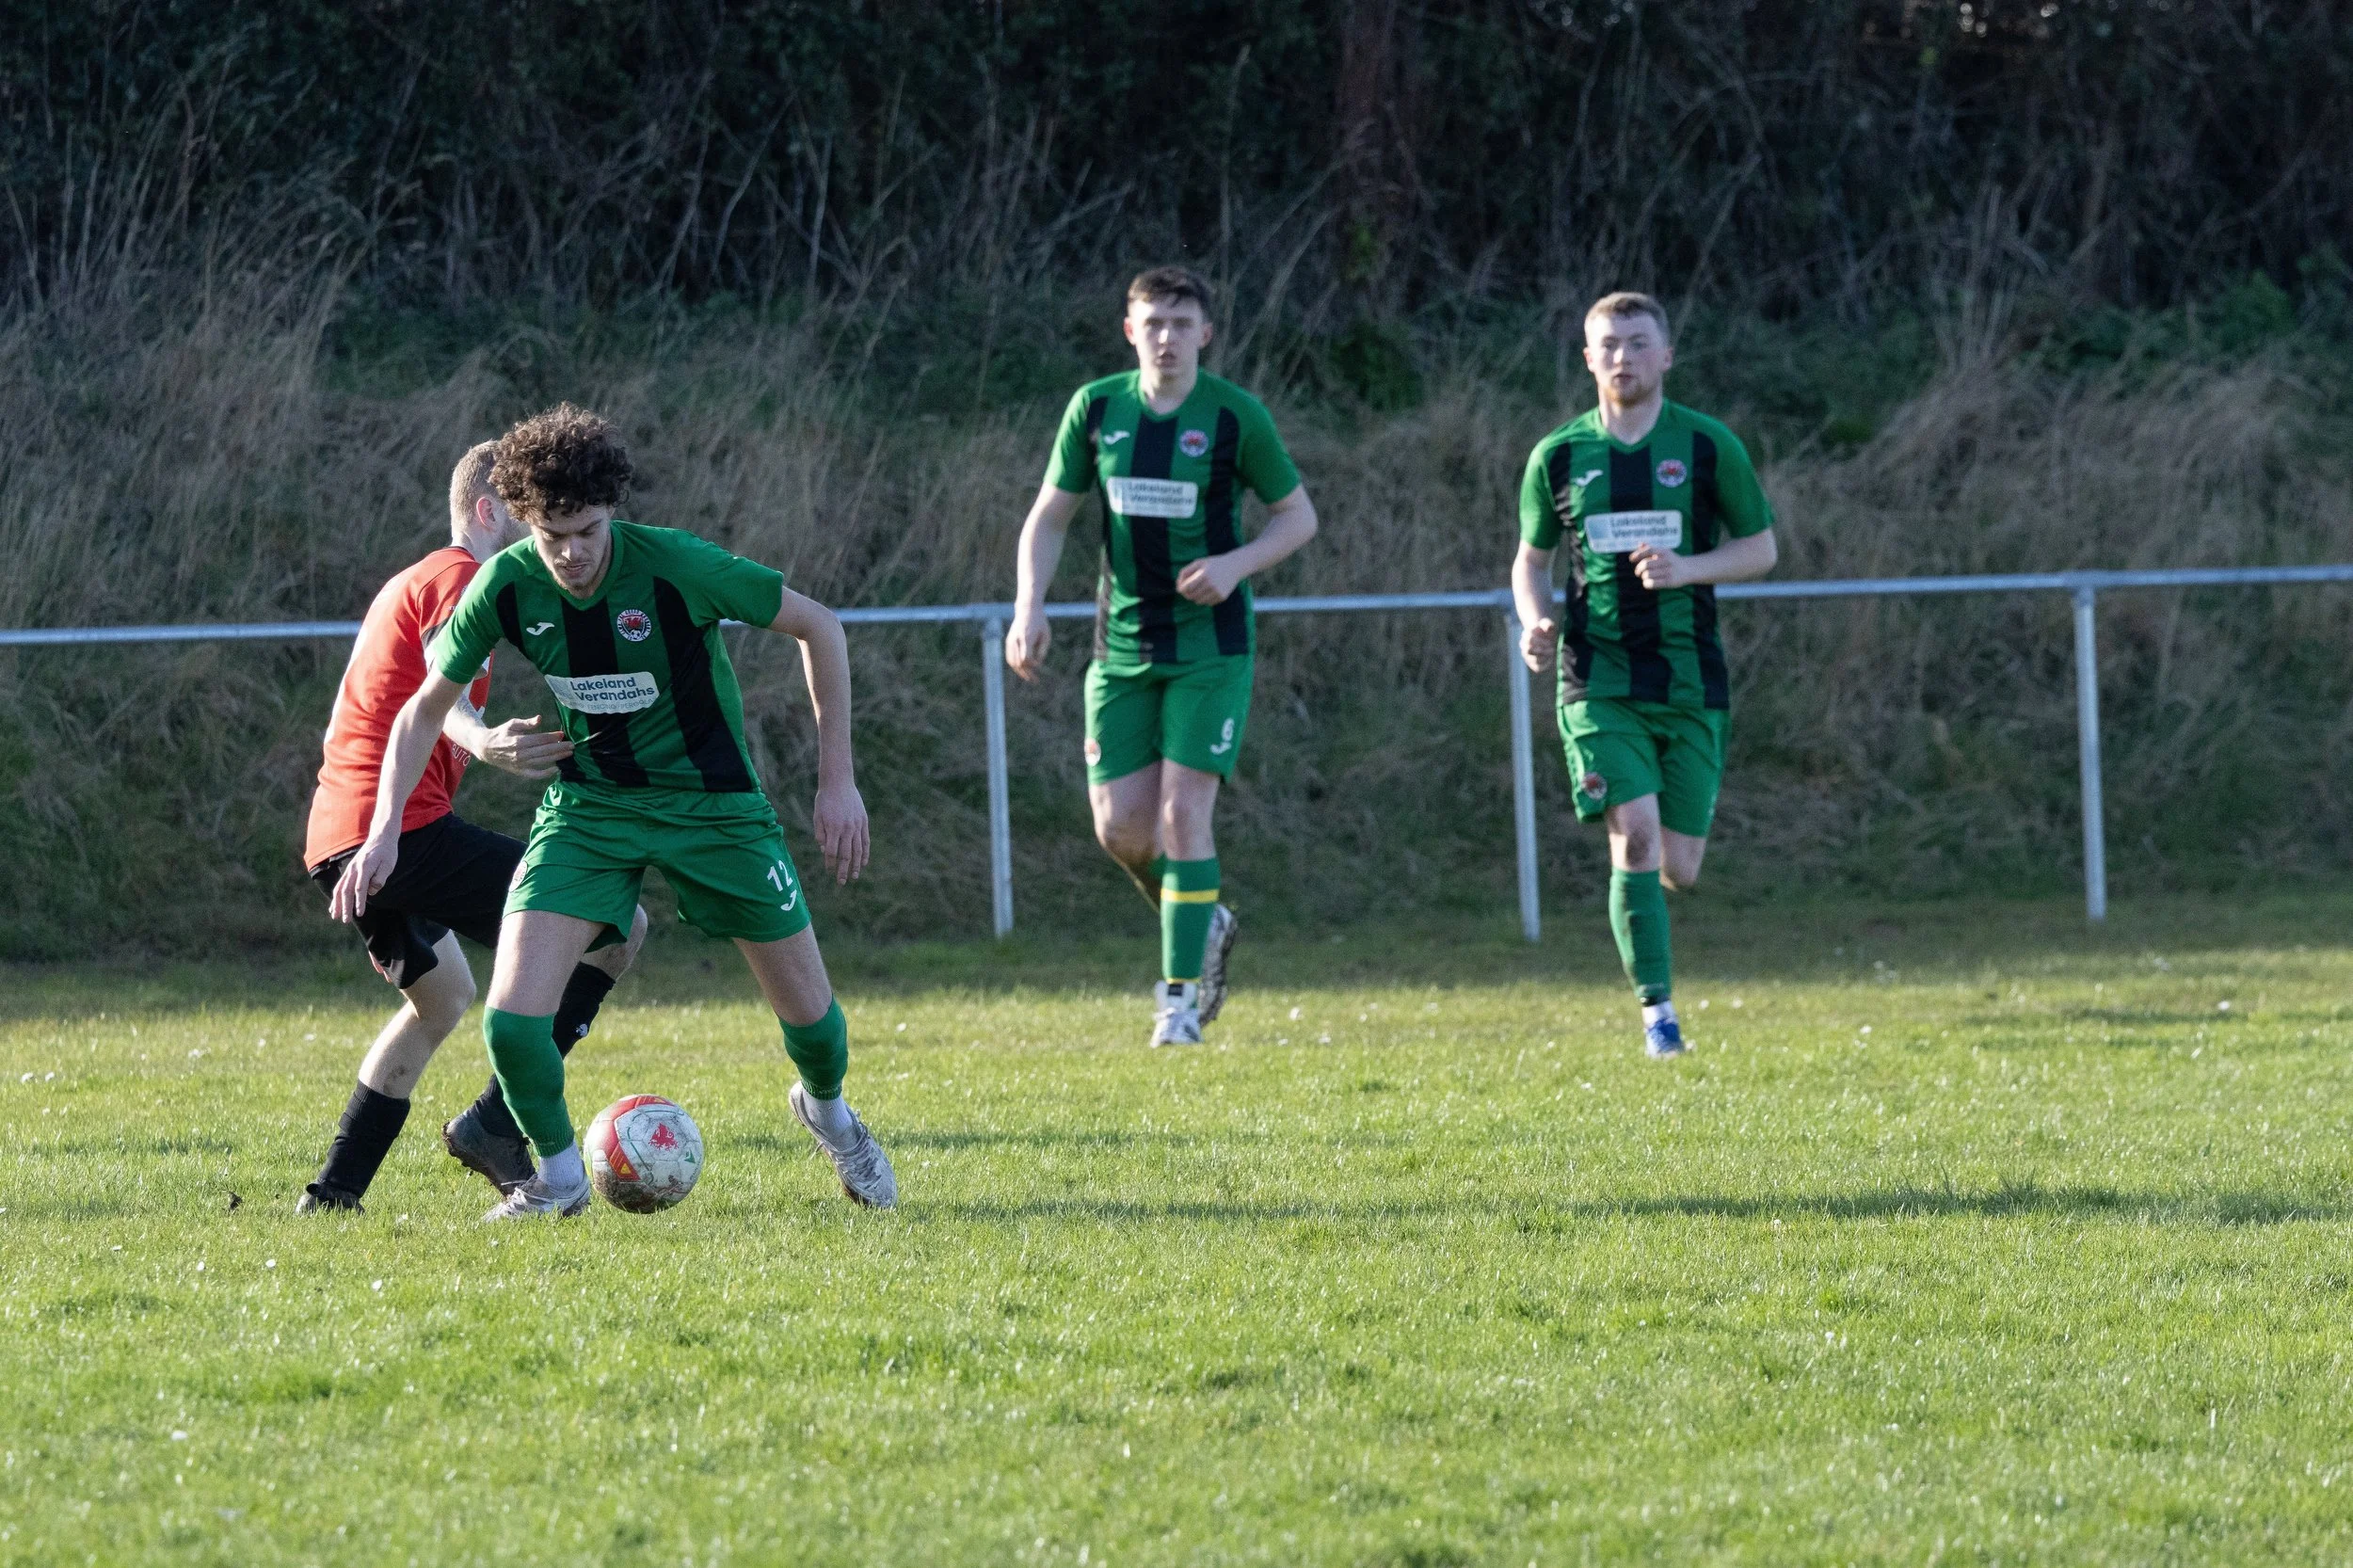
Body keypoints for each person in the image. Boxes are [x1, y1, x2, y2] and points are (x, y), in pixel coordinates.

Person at [332, 403, 894, 1219]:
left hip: (714, 809)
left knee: (812, 1021)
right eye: (552, 535)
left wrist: (836, 782)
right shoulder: (506, 582)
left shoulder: (674, 565)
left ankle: (832, 1116)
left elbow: (820, 627)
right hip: (590, 809)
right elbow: (425, 710)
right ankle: (559, 1181)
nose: (572, 554)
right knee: (514, 1024)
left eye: (588, 531)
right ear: (523, 522)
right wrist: (384, 830)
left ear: (612, 512)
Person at [298, 441, 646, 1213]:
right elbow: (437, 692)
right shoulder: (461, 577)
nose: (544, 539)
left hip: (343, 837)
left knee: (443, 997)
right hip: (396, 835)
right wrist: (483, 739)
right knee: (617, 926)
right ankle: (494, 1122)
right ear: (489, 512)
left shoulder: (415, 577)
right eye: (526, 519)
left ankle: (333, 1196)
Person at [1004, 266, 1319, 1046]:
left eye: (1183, 324)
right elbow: (1050, 518)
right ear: (1129, 329)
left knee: (1184, 817)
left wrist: (1236, 564)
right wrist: (1029, 606)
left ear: (1206, 334)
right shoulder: (1098, 409)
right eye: (1155, 323)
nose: (1168, 338)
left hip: (1212, 650)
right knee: (1122, 832)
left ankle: (1178, 1003)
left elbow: (1297, 518)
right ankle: (1202, 919)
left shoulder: (1234, 416)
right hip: (1122, 649)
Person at [1510, 292, 1779, 1058]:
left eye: (1637, 342)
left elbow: (1760, 548)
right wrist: (1533, 620)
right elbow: (1531, 562)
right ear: (1588, 358)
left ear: (1667, 356)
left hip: (1691, 683)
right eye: (1608, 344)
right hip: (1596, 681)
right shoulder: (1557, 455)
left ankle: (1647, 919)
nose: (1622, 356)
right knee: (1634, 837)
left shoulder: (1705, 446)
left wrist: (1690, 567)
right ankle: (1658, 1015)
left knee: (1677, 866)